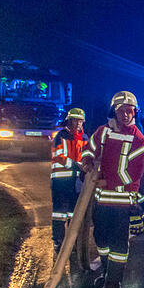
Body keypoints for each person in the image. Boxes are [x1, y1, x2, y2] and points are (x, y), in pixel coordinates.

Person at [80, 91, 144, 288]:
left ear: (135, 113)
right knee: (100, 237)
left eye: (130, 111)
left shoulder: (139, 140)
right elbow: (89, 148)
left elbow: (133, 174)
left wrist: (107, 181)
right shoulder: (103, 132)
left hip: (121, 201)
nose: (126, 115)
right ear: (114, 112)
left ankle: (113, 284)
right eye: (122, 111)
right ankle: (107, 272)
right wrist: (87, 161)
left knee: (118, 244)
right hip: (101, 199)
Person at [50, 107, 89, 260]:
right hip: (60, 181)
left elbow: (87, 155)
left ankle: (72, 243)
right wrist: (76, 165)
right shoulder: (60, 136)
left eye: (80, 121)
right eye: (75, 120)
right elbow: (59, 156)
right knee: (59, 214)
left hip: (77, 182)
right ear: (69, 120)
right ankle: (58, 243)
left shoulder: (85, 138)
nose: (78, 124)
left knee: (74, 214)